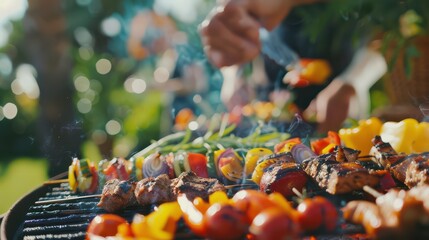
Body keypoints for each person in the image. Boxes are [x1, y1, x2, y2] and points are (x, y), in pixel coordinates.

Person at [199, 0, 385, 133]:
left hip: (340, 111)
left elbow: (384, 43)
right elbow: (233, 27)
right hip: (273, 111)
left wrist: (351, 83)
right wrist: (234, 76)